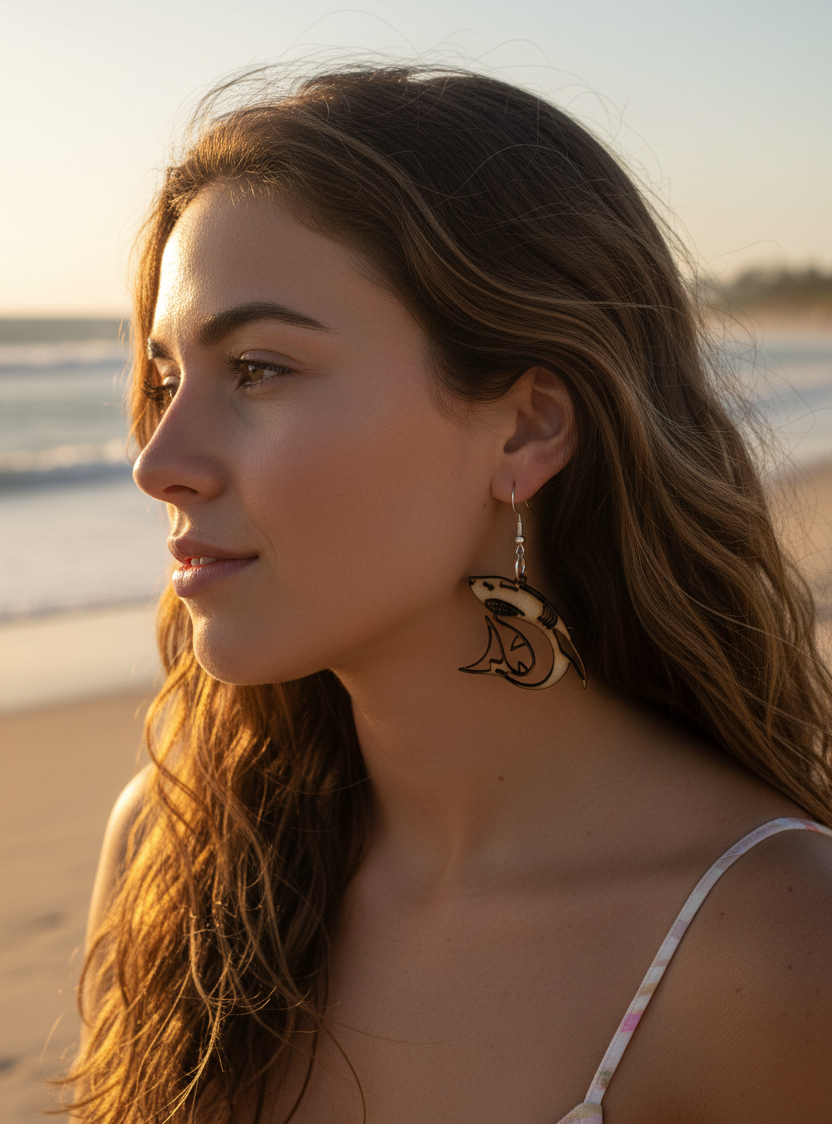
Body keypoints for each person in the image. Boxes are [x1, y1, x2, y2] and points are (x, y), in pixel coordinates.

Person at [67, 65, 832, 1124]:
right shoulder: (176, 855)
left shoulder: (770, 948)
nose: (159, 463)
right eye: (165, 381)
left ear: (526, 429)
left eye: (258, 369)